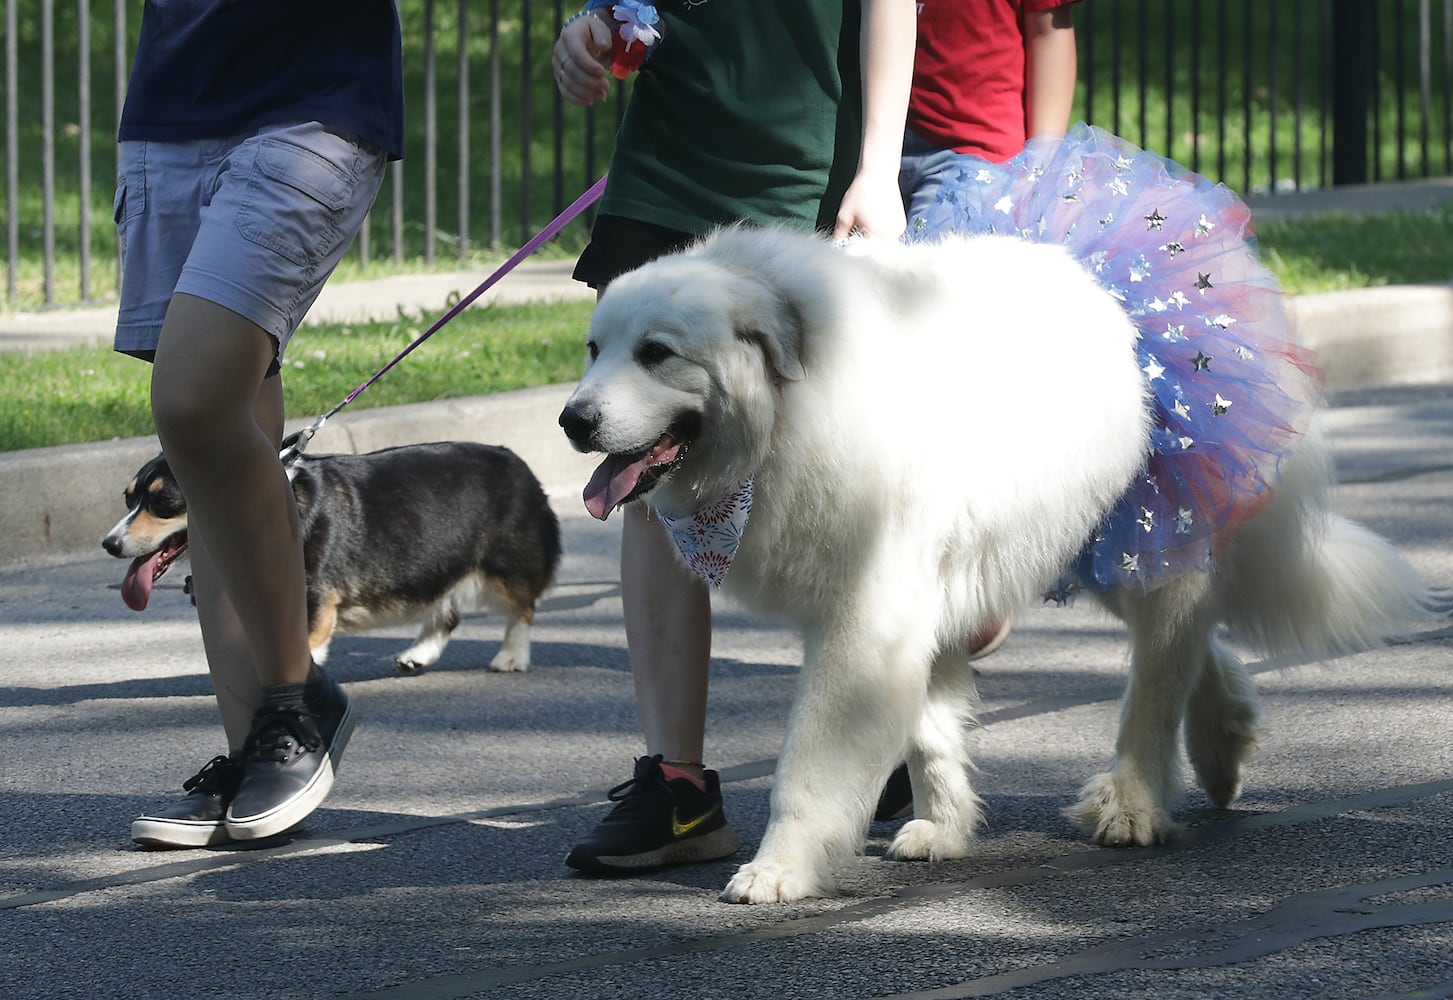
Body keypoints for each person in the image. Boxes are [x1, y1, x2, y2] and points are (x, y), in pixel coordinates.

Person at [553, 0, 917, 874]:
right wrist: (588, 32)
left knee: (840, 477)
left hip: (804, 171)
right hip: (663, 165)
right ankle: (676, 788)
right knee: (646, 468)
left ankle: (886, 729)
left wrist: (877, 164)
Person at [115, 1, 404, 849]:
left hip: (312, 98)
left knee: (193, 407)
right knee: (229, 421)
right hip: (175, 96)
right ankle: (255, 745)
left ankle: (295, 699)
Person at [875, 0, 1083, 821]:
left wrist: (1042, 168)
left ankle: (973, 583)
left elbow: (1049, 33)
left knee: (940, 374)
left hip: (977, 160)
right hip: (868, 153)